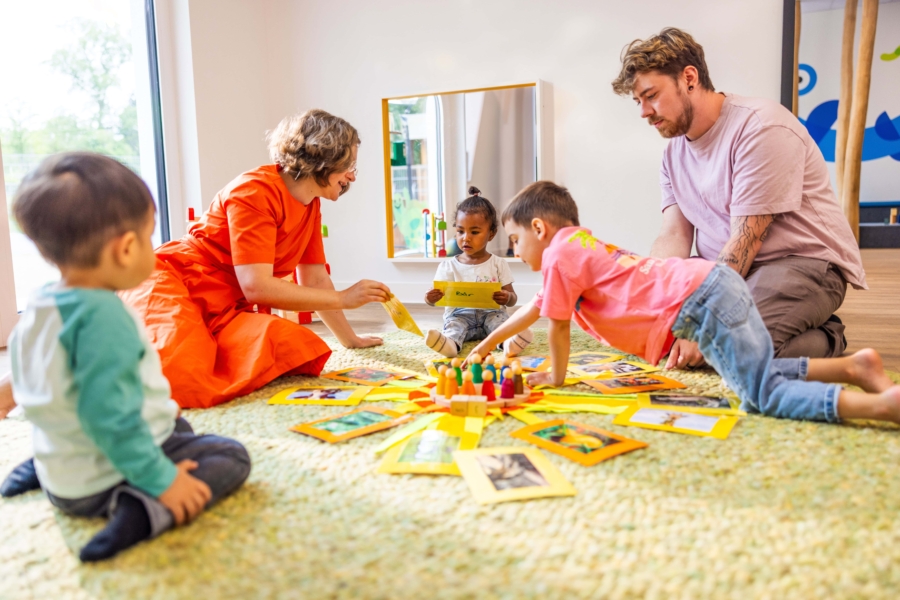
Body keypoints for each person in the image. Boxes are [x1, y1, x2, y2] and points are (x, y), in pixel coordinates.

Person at [469, 181, 900, 425]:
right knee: (746, 371)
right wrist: (486, 346)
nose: (515, 251)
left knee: (760, 396)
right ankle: (853, 368)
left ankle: (879, 406)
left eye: (515, 240)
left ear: (539, 228)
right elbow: (533, 309)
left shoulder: (560, 256)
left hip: (701, 301)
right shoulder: (576, 247)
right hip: (712, 283)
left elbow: (558, 326)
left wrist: (557, 376)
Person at [0, 153, 251, 562]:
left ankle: (42, 466)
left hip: (64, 472)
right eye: (149, 237)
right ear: (127, 248)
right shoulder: (103, 318)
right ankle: (144, 509)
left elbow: (41, 386)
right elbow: (111, 418)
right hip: (103, 483)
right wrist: (162, 479)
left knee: (176, 423)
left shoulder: (43, 303)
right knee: (231, 456)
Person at [610, 27, 866, 368]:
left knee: (725, 347)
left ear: (689, 78)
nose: (644, 111)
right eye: (638, 102)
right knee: (654, 336)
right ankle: (783, 323)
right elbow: (673, 235)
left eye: (651, 95)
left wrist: (705, 323)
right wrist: (652, 296)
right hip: (727, 271)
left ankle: (829, 335)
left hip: (801, 264)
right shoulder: (672, 155)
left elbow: (747, 239)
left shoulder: (761, 127)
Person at [120, 109, 391, 408]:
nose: (352, 176)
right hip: (176, 281)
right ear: (324, 155)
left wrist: (350, 340)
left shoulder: (311, 204)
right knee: (179, 372)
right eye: (348, 165)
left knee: (296, 344)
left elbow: (315, 278)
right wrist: (343, 298)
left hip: (227, 305)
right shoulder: (253, 191)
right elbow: (257, 287)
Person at [424, 186, 532, 358]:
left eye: (474, 232)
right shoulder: (447, 266)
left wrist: (507, 297)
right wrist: (430, 298)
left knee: (501, 323)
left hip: (492, 314)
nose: (466, 237)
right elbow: (433, 300)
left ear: (491, 234)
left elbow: (513, 299)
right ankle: (450, 344)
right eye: (460, 231)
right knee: (453, 325)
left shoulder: (498, 263)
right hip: (460, 315)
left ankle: (508, 343)